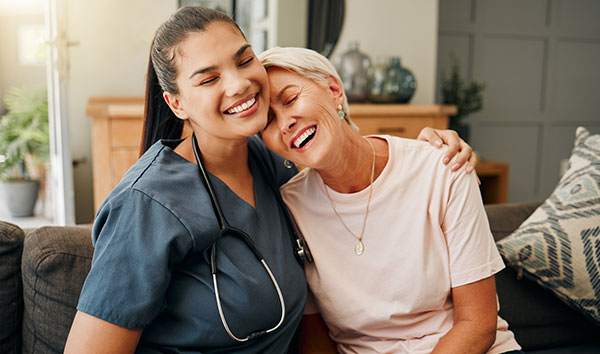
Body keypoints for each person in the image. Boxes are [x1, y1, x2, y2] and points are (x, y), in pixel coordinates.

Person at [64, 6, 475, 354]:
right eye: (208, 79)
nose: (239, 83)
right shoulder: (147, 204)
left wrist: (427, 149)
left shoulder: (272, 159)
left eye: (244, 60)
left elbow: (347, 155)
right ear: (177, 103)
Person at [259, 46, 523, 354]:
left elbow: (478, 324)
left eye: (290, 99)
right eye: (267, 122)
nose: (285, 123)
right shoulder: (289, 208)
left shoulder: (443, 167)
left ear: (333, 91)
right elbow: (315, 337)